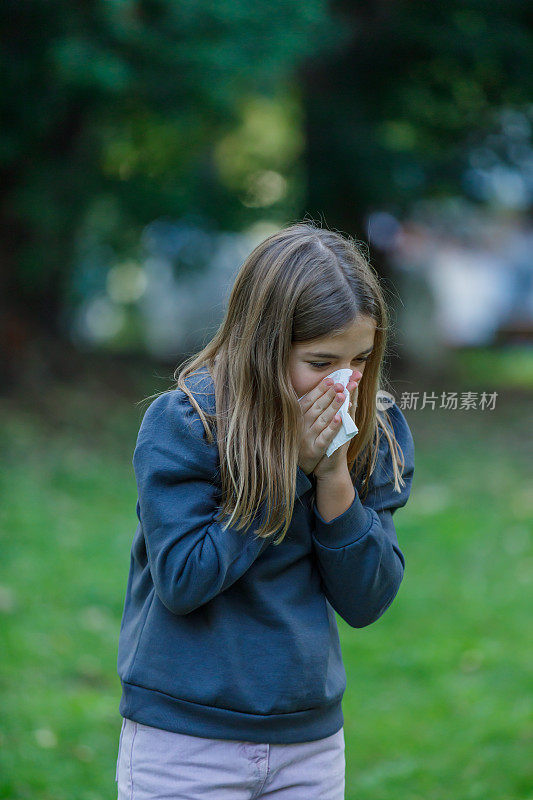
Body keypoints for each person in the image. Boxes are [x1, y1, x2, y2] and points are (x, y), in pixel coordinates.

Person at [114, 220, 415, 799]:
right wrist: (287, 473)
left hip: (310, 741)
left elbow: (367, 600)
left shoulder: (376, 432)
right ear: (264, 346)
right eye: (321, 362)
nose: (345, 387)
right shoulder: (188, 424)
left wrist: (332, 479)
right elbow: (182, 579)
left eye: (360, 360)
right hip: (185, 740)